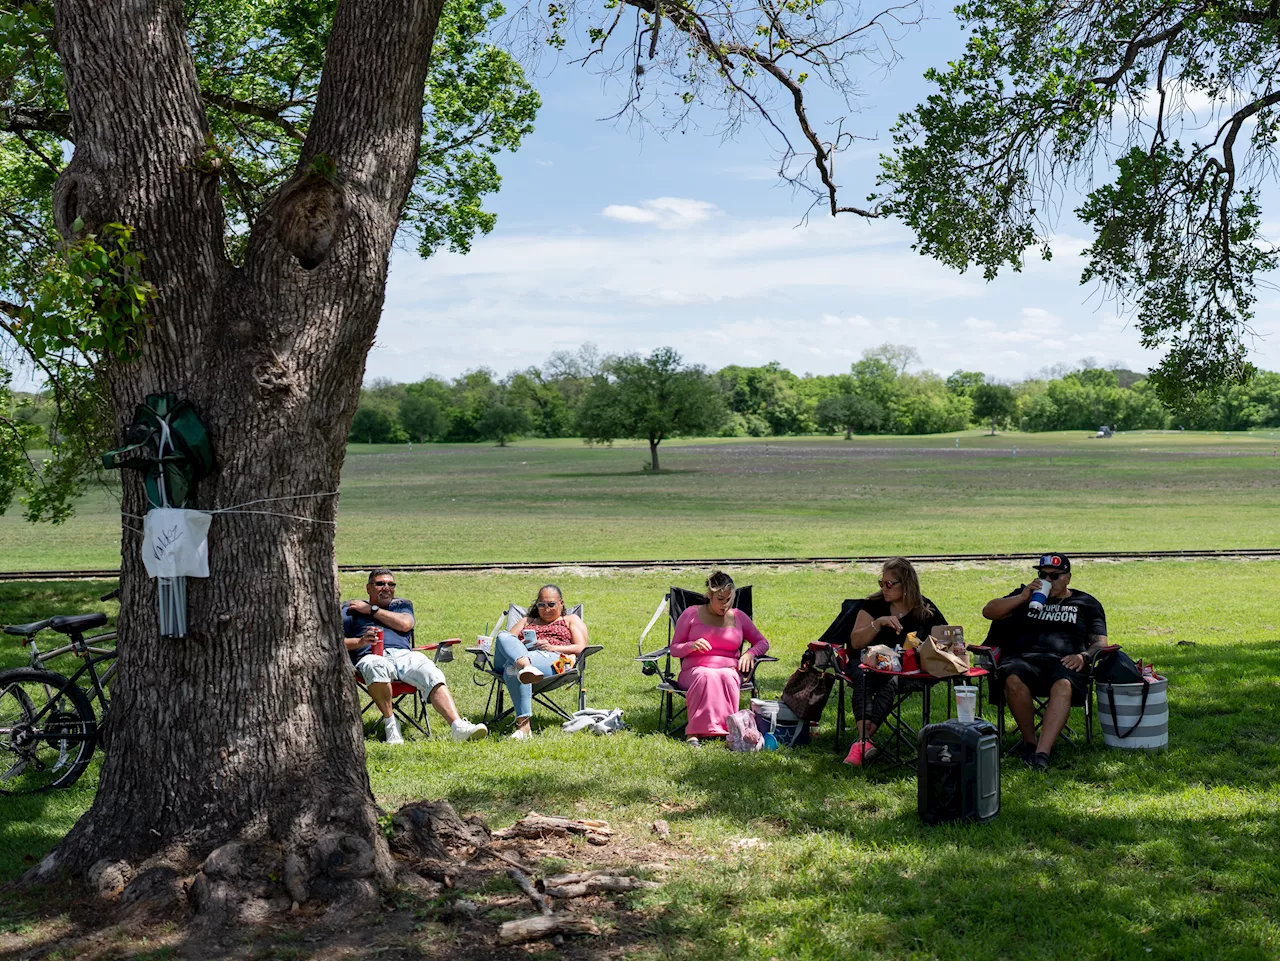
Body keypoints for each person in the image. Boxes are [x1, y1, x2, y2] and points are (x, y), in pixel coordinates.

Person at [981, 552, 1108, 771]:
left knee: (1063, 684)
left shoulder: (1086, 603)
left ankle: (1042, 754)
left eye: (1055, 576)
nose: (1048, 580)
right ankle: (1030, 744)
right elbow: (988, 611)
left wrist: (1083, 657)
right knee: (1012, 677)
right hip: (1023, 660)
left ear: (1068, 577)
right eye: (1043, 575)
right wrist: (1022, 597)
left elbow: (1101, 644)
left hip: (1064, 663)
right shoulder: (1024, 596)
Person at [344, 569, 487, 744]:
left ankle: (458, 727)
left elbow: (405, 624)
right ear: (368, 588)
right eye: (380, 583)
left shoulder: (402, 605)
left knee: (430, 671)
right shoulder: (352, 610)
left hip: (404, 655)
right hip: (370, 655)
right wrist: (360, 642)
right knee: (376, 666)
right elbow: (335, 642)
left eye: (391, 584)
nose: (386, 588)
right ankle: (392, 726)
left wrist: (371, 610)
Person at [844, 557, 947, 766]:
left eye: (889, 584)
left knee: (889, 683)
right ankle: (864, 743)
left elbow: (946, 640)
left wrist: (923, 647)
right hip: (867, 662)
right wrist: (878, 624)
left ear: (906, 585)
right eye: (881, 583)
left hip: (905, 671)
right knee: (864, 677)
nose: (884, 588)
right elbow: (854, 643)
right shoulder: (874, 604)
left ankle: (861, 744)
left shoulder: (925, 610)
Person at [670, 571, 771, 747]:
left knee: (726, 676)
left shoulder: (738, 616)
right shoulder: (691, 614)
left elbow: (762, 642)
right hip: (694, 671)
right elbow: (674, 649)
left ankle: (729, 730)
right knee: (706, 675)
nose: (725, 604)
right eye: (720, 599)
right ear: (709, 596)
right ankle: (694, 733)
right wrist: (690, 646)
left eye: (729, 599)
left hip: (729, 669)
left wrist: (749, 654)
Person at [487, 584, 589, 741]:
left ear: (561, 603)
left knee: (512, 668)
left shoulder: (569, 620)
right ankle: (526, 667)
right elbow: (506, 642)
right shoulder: (527, 621)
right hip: (523, 658)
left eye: (551, 604)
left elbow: (581, 646)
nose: (546, 609)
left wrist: (552, 646)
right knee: (502, 636)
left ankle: (524, 728)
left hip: (551, 659)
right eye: (541, 604)